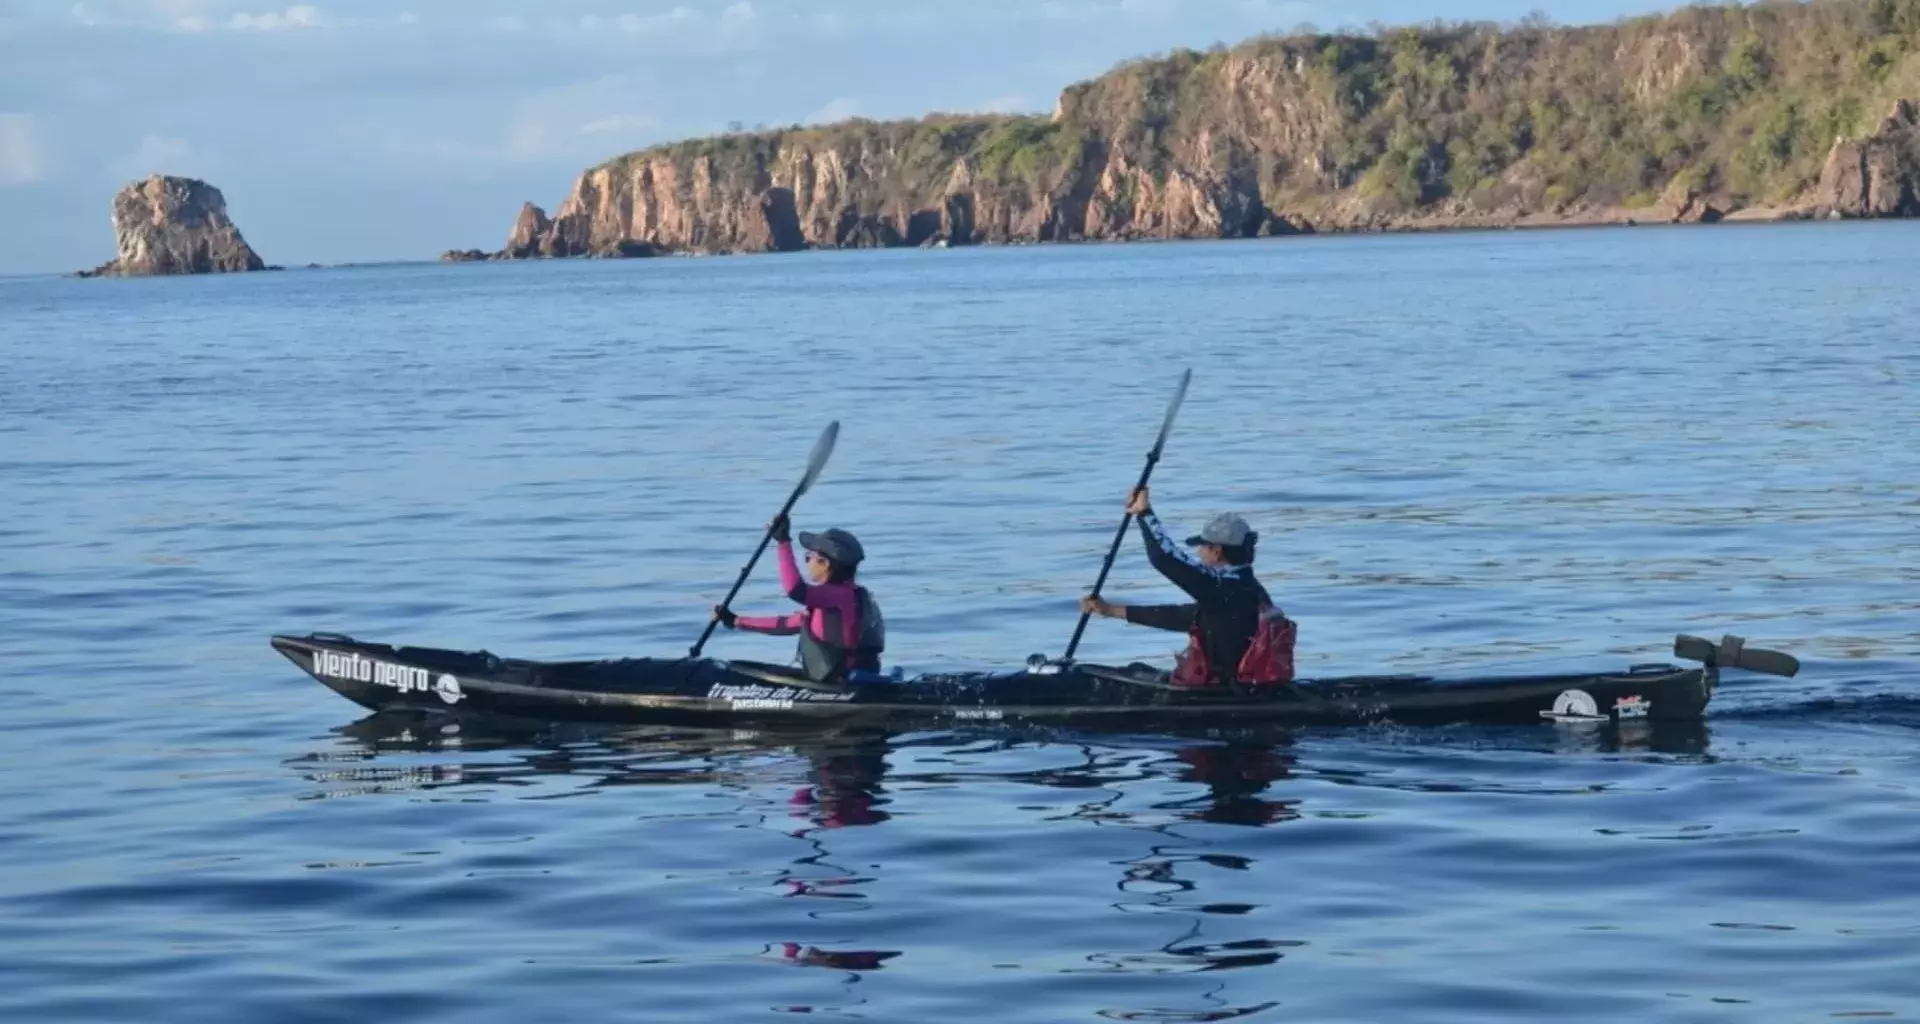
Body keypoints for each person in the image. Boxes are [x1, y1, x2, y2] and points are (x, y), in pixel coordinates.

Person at [1080, 486, 1295, 688]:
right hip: (1236, 686)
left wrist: (1145, 513)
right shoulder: (1247, 588)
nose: (1199, 553)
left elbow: (1164, 558)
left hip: (1219, 691)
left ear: (1217, 551)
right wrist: (1109, 610)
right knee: (1136, 670)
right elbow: (1182, 617)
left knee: (1128, 675)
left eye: (1202, 546)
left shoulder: (1221, 586)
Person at [711, 514, 885, 683]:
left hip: (839, 681)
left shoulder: (837, 595)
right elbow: (787, 624)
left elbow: (795, 589)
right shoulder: (842, 598)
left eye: (809, 557)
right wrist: (736, 621)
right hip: (844, 676)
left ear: (825, 564)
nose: (807, 563)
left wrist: (783, 543)